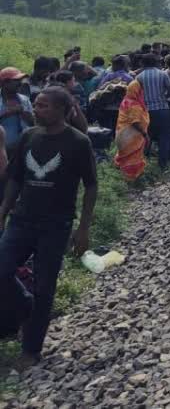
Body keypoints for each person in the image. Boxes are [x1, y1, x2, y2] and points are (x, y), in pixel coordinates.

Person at [0, 87, 98, 370]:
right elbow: (16, 178)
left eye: (43, 106)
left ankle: (31, 350)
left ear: (61, 110)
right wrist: (4, 210)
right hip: (22, 220)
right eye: (38, 105)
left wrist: (83, 228)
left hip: (55, 225)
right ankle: (23, 306)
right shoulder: (29, 136)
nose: (37, 110)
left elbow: (90, 185)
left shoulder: (78, 142)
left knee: (45, 286)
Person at [136, 54, 170, 169]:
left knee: (146, 136)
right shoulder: (163, 74)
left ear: (143, 63)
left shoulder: (139, 77)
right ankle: (162, 164)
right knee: (164, 137)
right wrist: (162, 97)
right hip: (162, 110)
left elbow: (137, 95)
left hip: (146, 111)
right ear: (155, 62)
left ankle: (144, 163)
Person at [113, 79, 151, 181]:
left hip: (122, 134)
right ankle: (132, 178)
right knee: (132, 157)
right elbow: (135, 122)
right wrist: (144, 134)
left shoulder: (126, 100)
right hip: (131, 136)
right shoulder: (135, 105)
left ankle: (123, 177)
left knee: (125, 156)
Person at [1, 68, 34, 162]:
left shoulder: (24, 100)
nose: (20, 83)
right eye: (16, 81)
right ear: (5, 83)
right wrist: (7, 112)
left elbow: (33, 123)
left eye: (20, 80)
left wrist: (21, 111)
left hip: (22, 149)